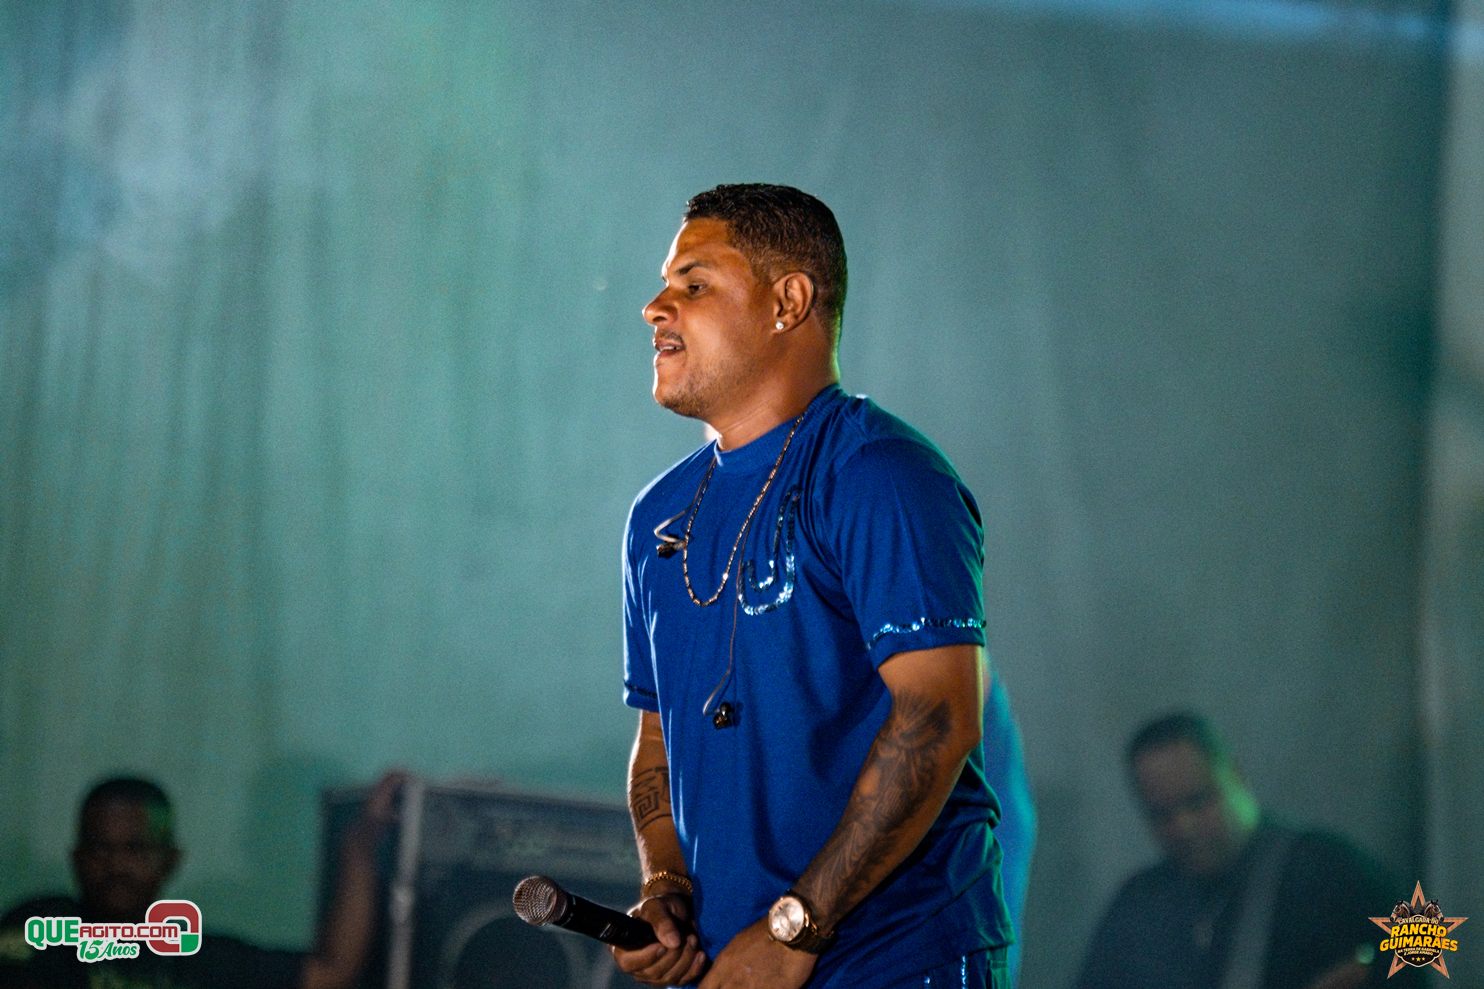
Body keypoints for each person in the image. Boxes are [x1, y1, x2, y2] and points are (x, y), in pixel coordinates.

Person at [614, 183, 1014, 988]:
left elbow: (938, 717)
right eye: (665, 285)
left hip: (895, 962)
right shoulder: (658, 516)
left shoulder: (880, 474)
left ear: (788, 301)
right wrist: (666, 887)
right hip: (737, 967)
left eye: (695, 283)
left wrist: (796, 927)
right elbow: (658, 738)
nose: (656, 308)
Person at [1073, 713, 1414, 989]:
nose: (1183, 828)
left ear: (1235, 777)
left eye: (1198, 801)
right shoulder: (1139, 905)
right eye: (1163, 815)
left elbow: (1425, 947)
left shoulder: (1329, 870)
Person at [0, 772, 403, 989]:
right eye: (100, 850)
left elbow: (331, 972)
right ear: (76, 858)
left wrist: (359, 850)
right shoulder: (40, 929)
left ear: (170, 861)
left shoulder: (200, 959)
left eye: (136, 850)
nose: (116, 866)